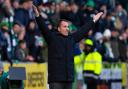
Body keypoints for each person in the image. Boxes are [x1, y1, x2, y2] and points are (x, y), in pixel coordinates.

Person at [33, 5, 103, 89]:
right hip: (56, 80)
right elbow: (43, 27)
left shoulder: (72, 39)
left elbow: (83, 30)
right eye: (64, 26)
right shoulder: (52, 38)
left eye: (68, 26)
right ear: (58, 28)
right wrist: (38, 15)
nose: (67, 28)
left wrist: (93, 20)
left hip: (68, 79)